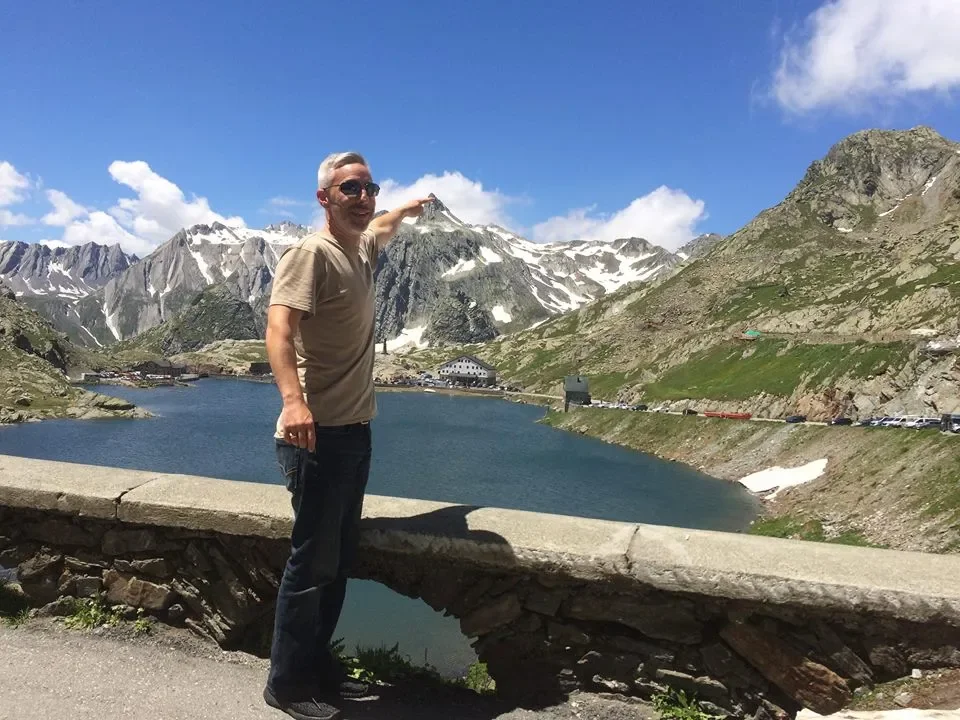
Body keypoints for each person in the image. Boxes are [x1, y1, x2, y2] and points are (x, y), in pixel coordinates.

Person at [263, 151, 431, 720]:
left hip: (355, 433)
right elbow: (278, 328)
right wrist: (293, 401)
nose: (363, 197)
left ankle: (316, 667)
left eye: (370, 187)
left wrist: (406, 208)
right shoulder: (311, 254)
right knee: (311, 564)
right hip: (316, 435)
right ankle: (286, 684)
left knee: (336, 562)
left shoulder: (361, 245)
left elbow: (382, 227)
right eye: (350, 188)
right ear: (324, 198)